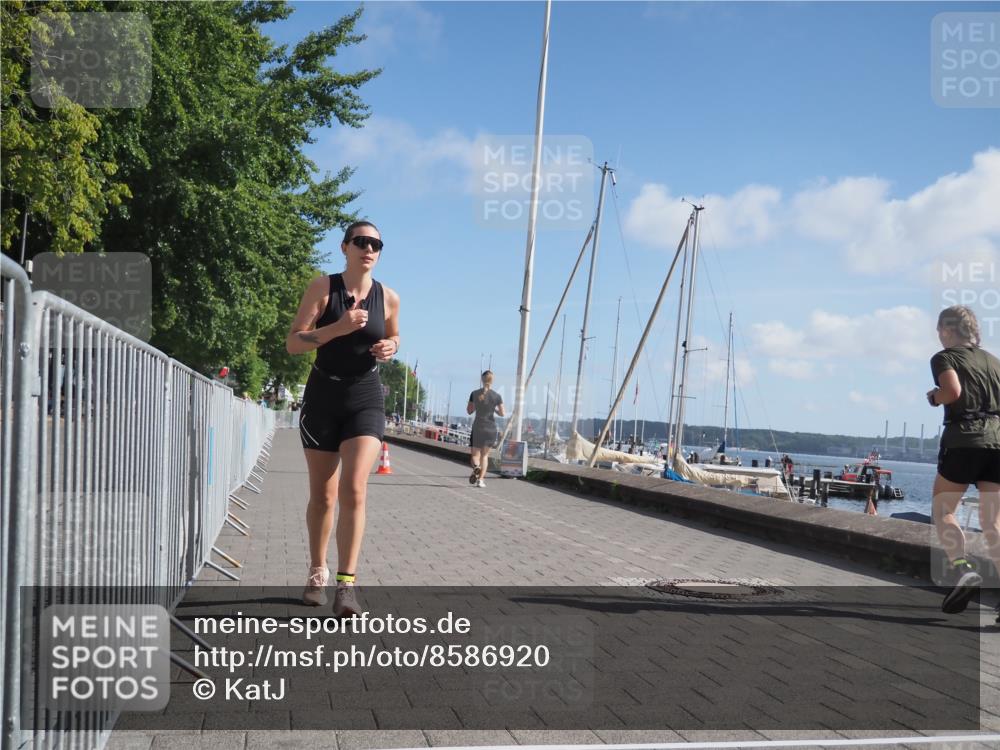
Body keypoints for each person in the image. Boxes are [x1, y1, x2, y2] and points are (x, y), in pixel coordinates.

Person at [285, 220, 400, 614]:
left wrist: (391, 347)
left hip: (365, 397)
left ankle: (346, 584)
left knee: (354, 488)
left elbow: (396, 336)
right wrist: (337, 328)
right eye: (362, 242)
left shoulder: (389, 298)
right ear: (345, 247)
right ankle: (317, 570)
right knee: (323, 495)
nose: (369, 248)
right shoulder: (323, 287)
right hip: (323, 396)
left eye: (376, 244)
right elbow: (294, 343)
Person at [927, 305, 1000, 616]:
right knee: (993, 522)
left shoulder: (944, 357)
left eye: (939, 330)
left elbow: (952, 391)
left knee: (942, 509)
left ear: (947, 329)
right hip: (998, 442)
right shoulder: (995, 362)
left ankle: (963, 568)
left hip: (964, 441)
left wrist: (934, 397)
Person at [467, 371, 504, 487]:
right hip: (491, 429)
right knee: (485, 456)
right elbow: (502, 413)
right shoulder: (497, 396)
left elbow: (469, 411)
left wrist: (476, 407)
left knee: (475, 455)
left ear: (482, 380)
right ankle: (481, 480)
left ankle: (476, 467)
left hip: (478, 427)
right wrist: (494, 410)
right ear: (492, 380)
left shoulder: (474, 393)